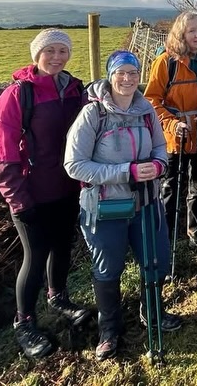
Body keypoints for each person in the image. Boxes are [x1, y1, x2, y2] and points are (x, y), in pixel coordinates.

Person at [64, 50, 183, 360]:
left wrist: (158, 165)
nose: (128, 78)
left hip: (146, 202)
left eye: (133, 72)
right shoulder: (93, 115)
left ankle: (153, 314)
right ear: (110, 75)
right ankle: (109, 330)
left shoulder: (146, 112)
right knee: (108, 268)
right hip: (105, 207)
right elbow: (74, 165)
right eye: (121, 72)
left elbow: (160, 146)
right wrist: (125, 172)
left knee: (155, 259)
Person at [0, 28, 90, 359]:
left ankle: (58, 298)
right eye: (50, 51)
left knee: (63, 246)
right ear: (37, 54)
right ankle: (24, 322)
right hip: (31, 193)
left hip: (68, 187)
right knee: (34, 257)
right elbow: (4, 154)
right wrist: (16, 198)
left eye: (63, 51)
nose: (57, 57)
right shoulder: (18, 95)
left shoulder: (76, 90)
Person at [144, 10, 197, 257]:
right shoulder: (166, 62)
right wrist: (171, 123)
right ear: (181, 33)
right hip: (174, 137)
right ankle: (164, 241)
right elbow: (151, 101)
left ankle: (196, 235)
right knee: (169, 190)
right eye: (192, 30)